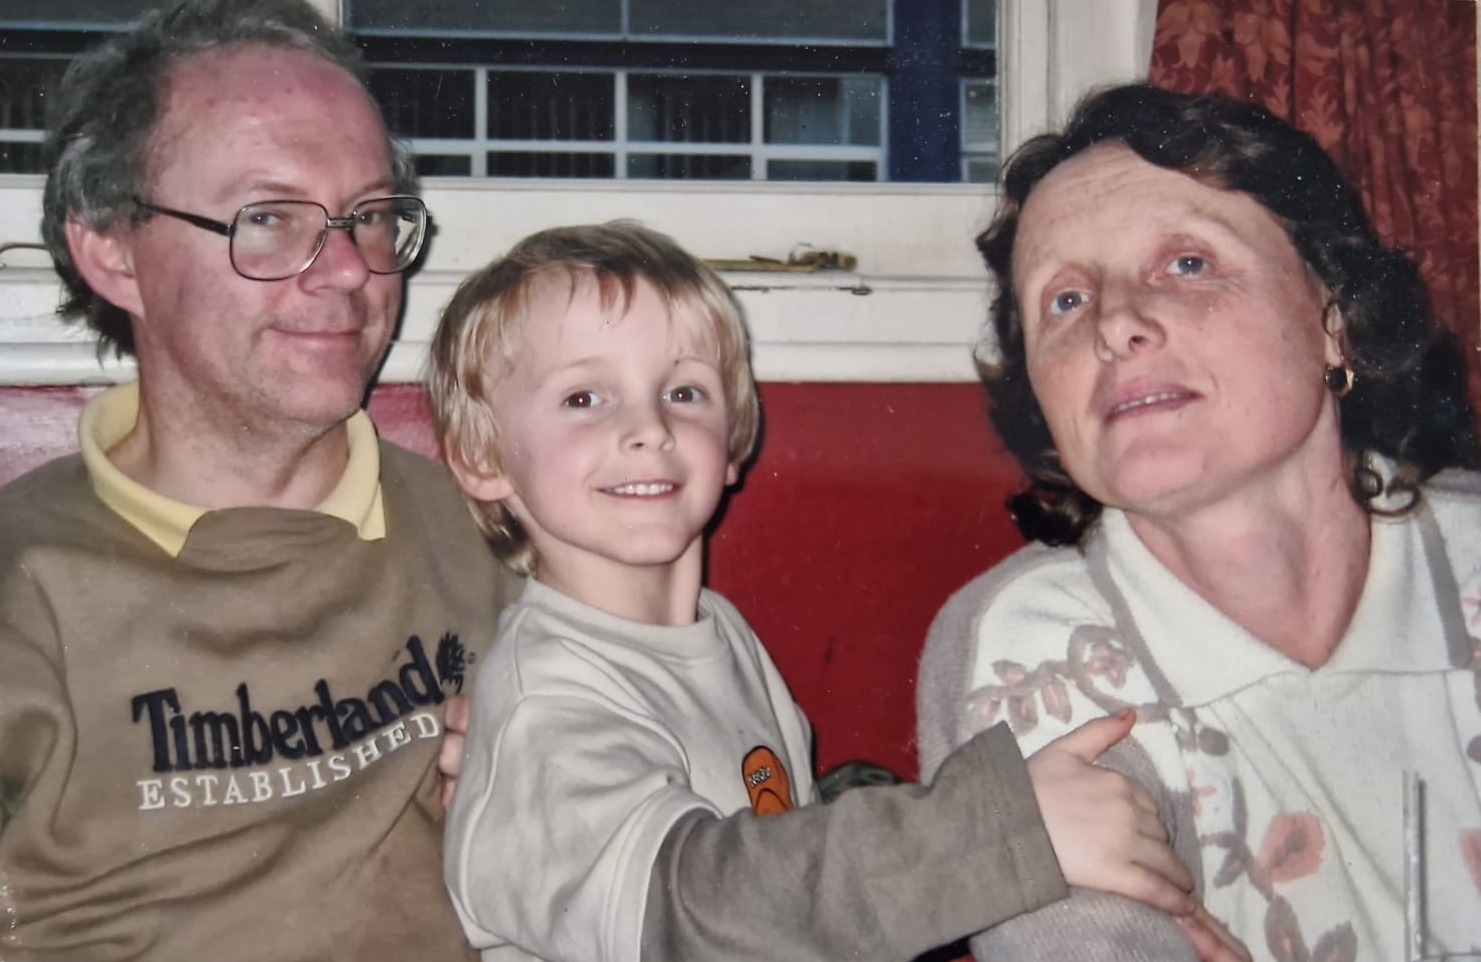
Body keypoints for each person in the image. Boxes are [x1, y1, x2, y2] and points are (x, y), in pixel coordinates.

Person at [428, 220, 1247, 962]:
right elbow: (682, 913)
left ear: (732, 439)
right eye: (583, 398)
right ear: (484, 458)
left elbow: (784, 847)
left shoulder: (714, 630)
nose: (648, 427)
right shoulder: (545, 701)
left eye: (683, 392)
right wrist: (999, 830)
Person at [0, 0, 520, 959]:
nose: (349, 272)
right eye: (270, 218)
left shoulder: (507, 538)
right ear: (112, 251)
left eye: (369, 217)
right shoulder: (22, 590)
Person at [917, 82, 1481, 961]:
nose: (1114, 324)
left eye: (1185, 264)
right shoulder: (1033, 646)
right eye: (1063, 301)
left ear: (1333, 323)